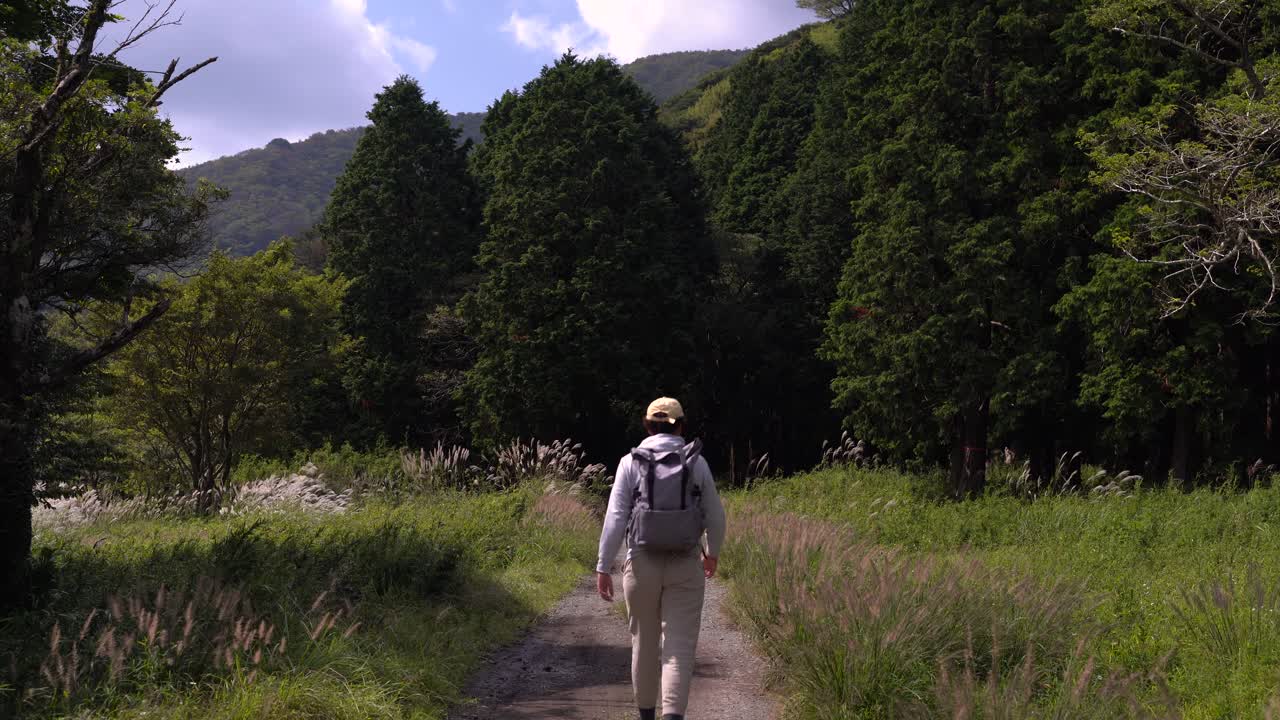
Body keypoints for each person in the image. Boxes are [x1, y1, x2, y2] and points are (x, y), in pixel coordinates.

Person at [596, 397, 726, 720]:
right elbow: (716, 516)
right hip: (685, 563)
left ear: (647, 425)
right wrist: (712, 553)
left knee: (644, 644)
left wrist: (603, 566)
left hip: (641, 562)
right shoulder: (696, 463)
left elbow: (615, 517)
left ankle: (646, 717)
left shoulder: (630, 462)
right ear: (681, 426)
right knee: (678, 647)